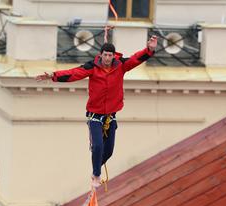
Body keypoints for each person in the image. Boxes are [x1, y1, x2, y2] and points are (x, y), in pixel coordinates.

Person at [36, 36, 158, 188]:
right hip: (95, 115)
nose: (107, 58)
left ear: (114, 56)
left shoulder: (121, 65)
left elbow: (136, 59)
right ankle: (96, 174)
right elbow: (74, 73)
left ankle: (97, 164)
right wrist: (53, 76)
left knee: (109, 151)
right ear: (101, 55)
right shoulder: (92, 67)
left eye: (110, 55)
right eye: (105, 55)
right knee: (98, 146)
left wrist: (150, 49)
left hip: (110, 116)